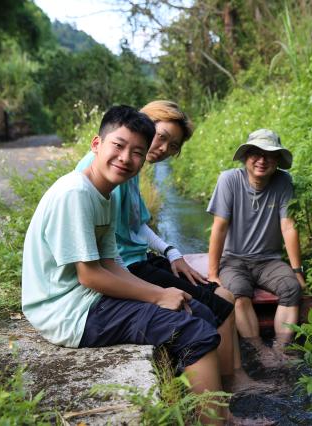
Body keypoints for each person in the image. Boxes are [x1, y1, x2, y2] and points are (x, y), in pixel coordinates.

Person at [22, 105, 226, 424]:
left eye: (136, 152)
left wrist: (165, 290)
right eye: (118, 145)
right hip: (67, 311)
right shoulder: (75, 194)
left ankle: (204, 405)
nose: (125, 158)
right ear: (96, 145)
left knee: (197, 309)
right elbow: (89, 276)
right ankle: (217, 421)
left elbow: (112, 263)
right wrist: (158, 296)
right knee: (194, 330)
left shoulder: (105, 194)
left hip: (87, 299)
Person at [76, 100, 265, 394]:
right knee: (219, 306)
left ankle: (232, 378)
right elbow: (103, 255)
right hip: (130, 267)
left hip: (137, 260)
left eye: (172, 145)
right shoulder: (101, 172)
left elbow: (136, 223)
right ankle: (231, 383)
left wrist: (172, 253)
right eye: (160, 136)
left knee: (225, 294)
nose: (162, 147)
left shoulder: (131, 172)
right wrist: (154, 289)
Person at [207, 129, 306, 367]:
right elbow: (219, 228)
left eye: (269, 155)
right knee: (239, 292)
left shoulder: (283, 181)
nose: (262, 160)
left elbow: (288, 227)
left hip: (269, 260)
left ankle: (280, 349)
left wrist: (298, 271)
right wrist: (213, 274)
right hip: (233, 260)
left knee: (292, 288)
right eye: (255, 153)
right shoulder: (229, 180)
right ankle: (259, 349)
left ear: (277, 160)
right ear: (245, 157)